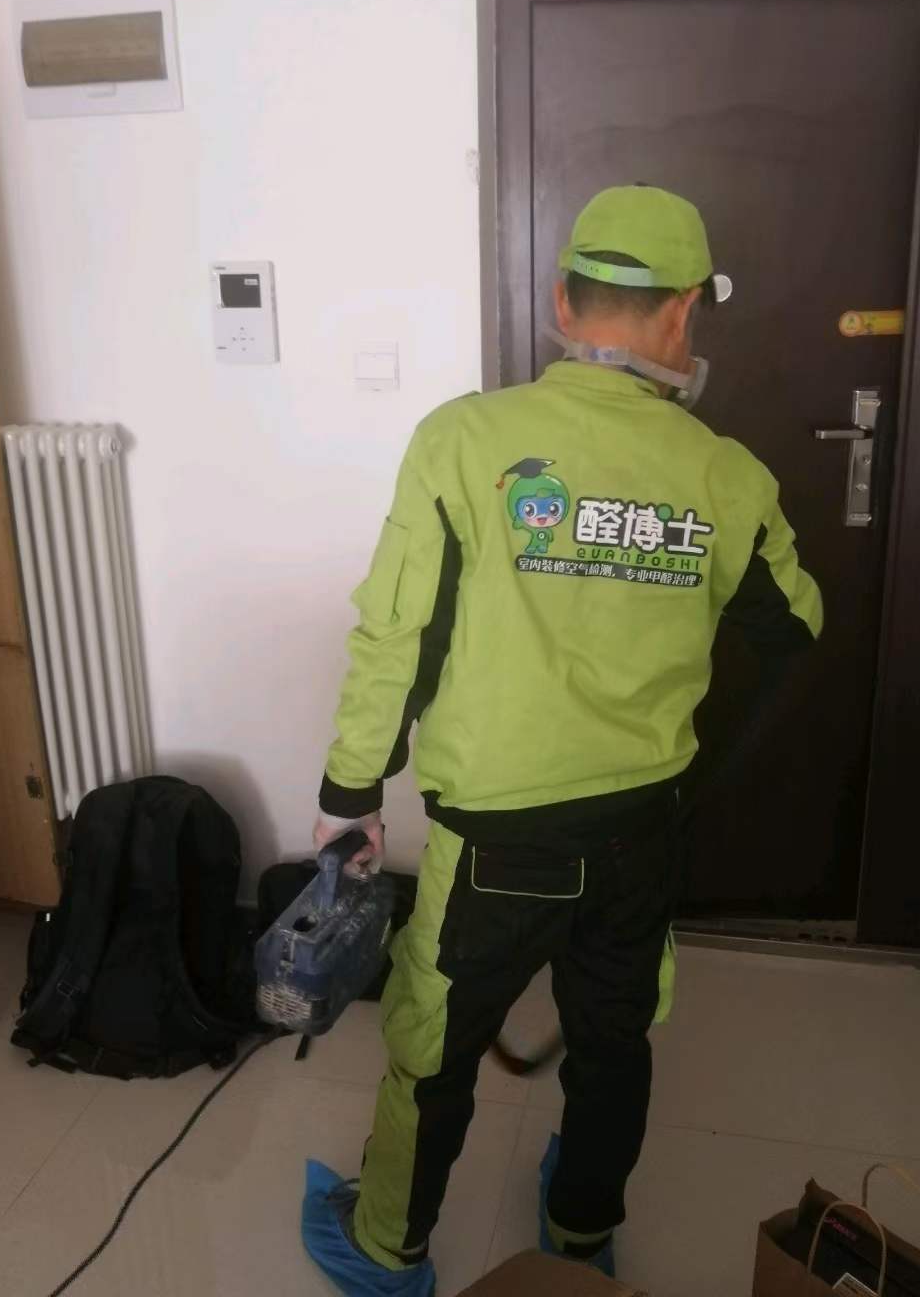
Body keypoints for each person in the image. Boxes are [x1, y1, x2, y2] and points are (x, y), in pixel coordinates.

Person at [302, 186, 822, 1296]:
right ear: (683, 312)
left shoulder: (462, 442)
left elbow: (398, 633)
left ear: (560, 303)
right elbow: (795, 630)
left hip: (494, 847)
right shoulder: (727, 477)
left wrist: (352, 793)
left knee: (434, 1050)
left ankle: (389, 1251)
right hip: (640, 835)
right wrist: (694, 756)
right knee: (613, 1043)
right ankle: (582, 1236)